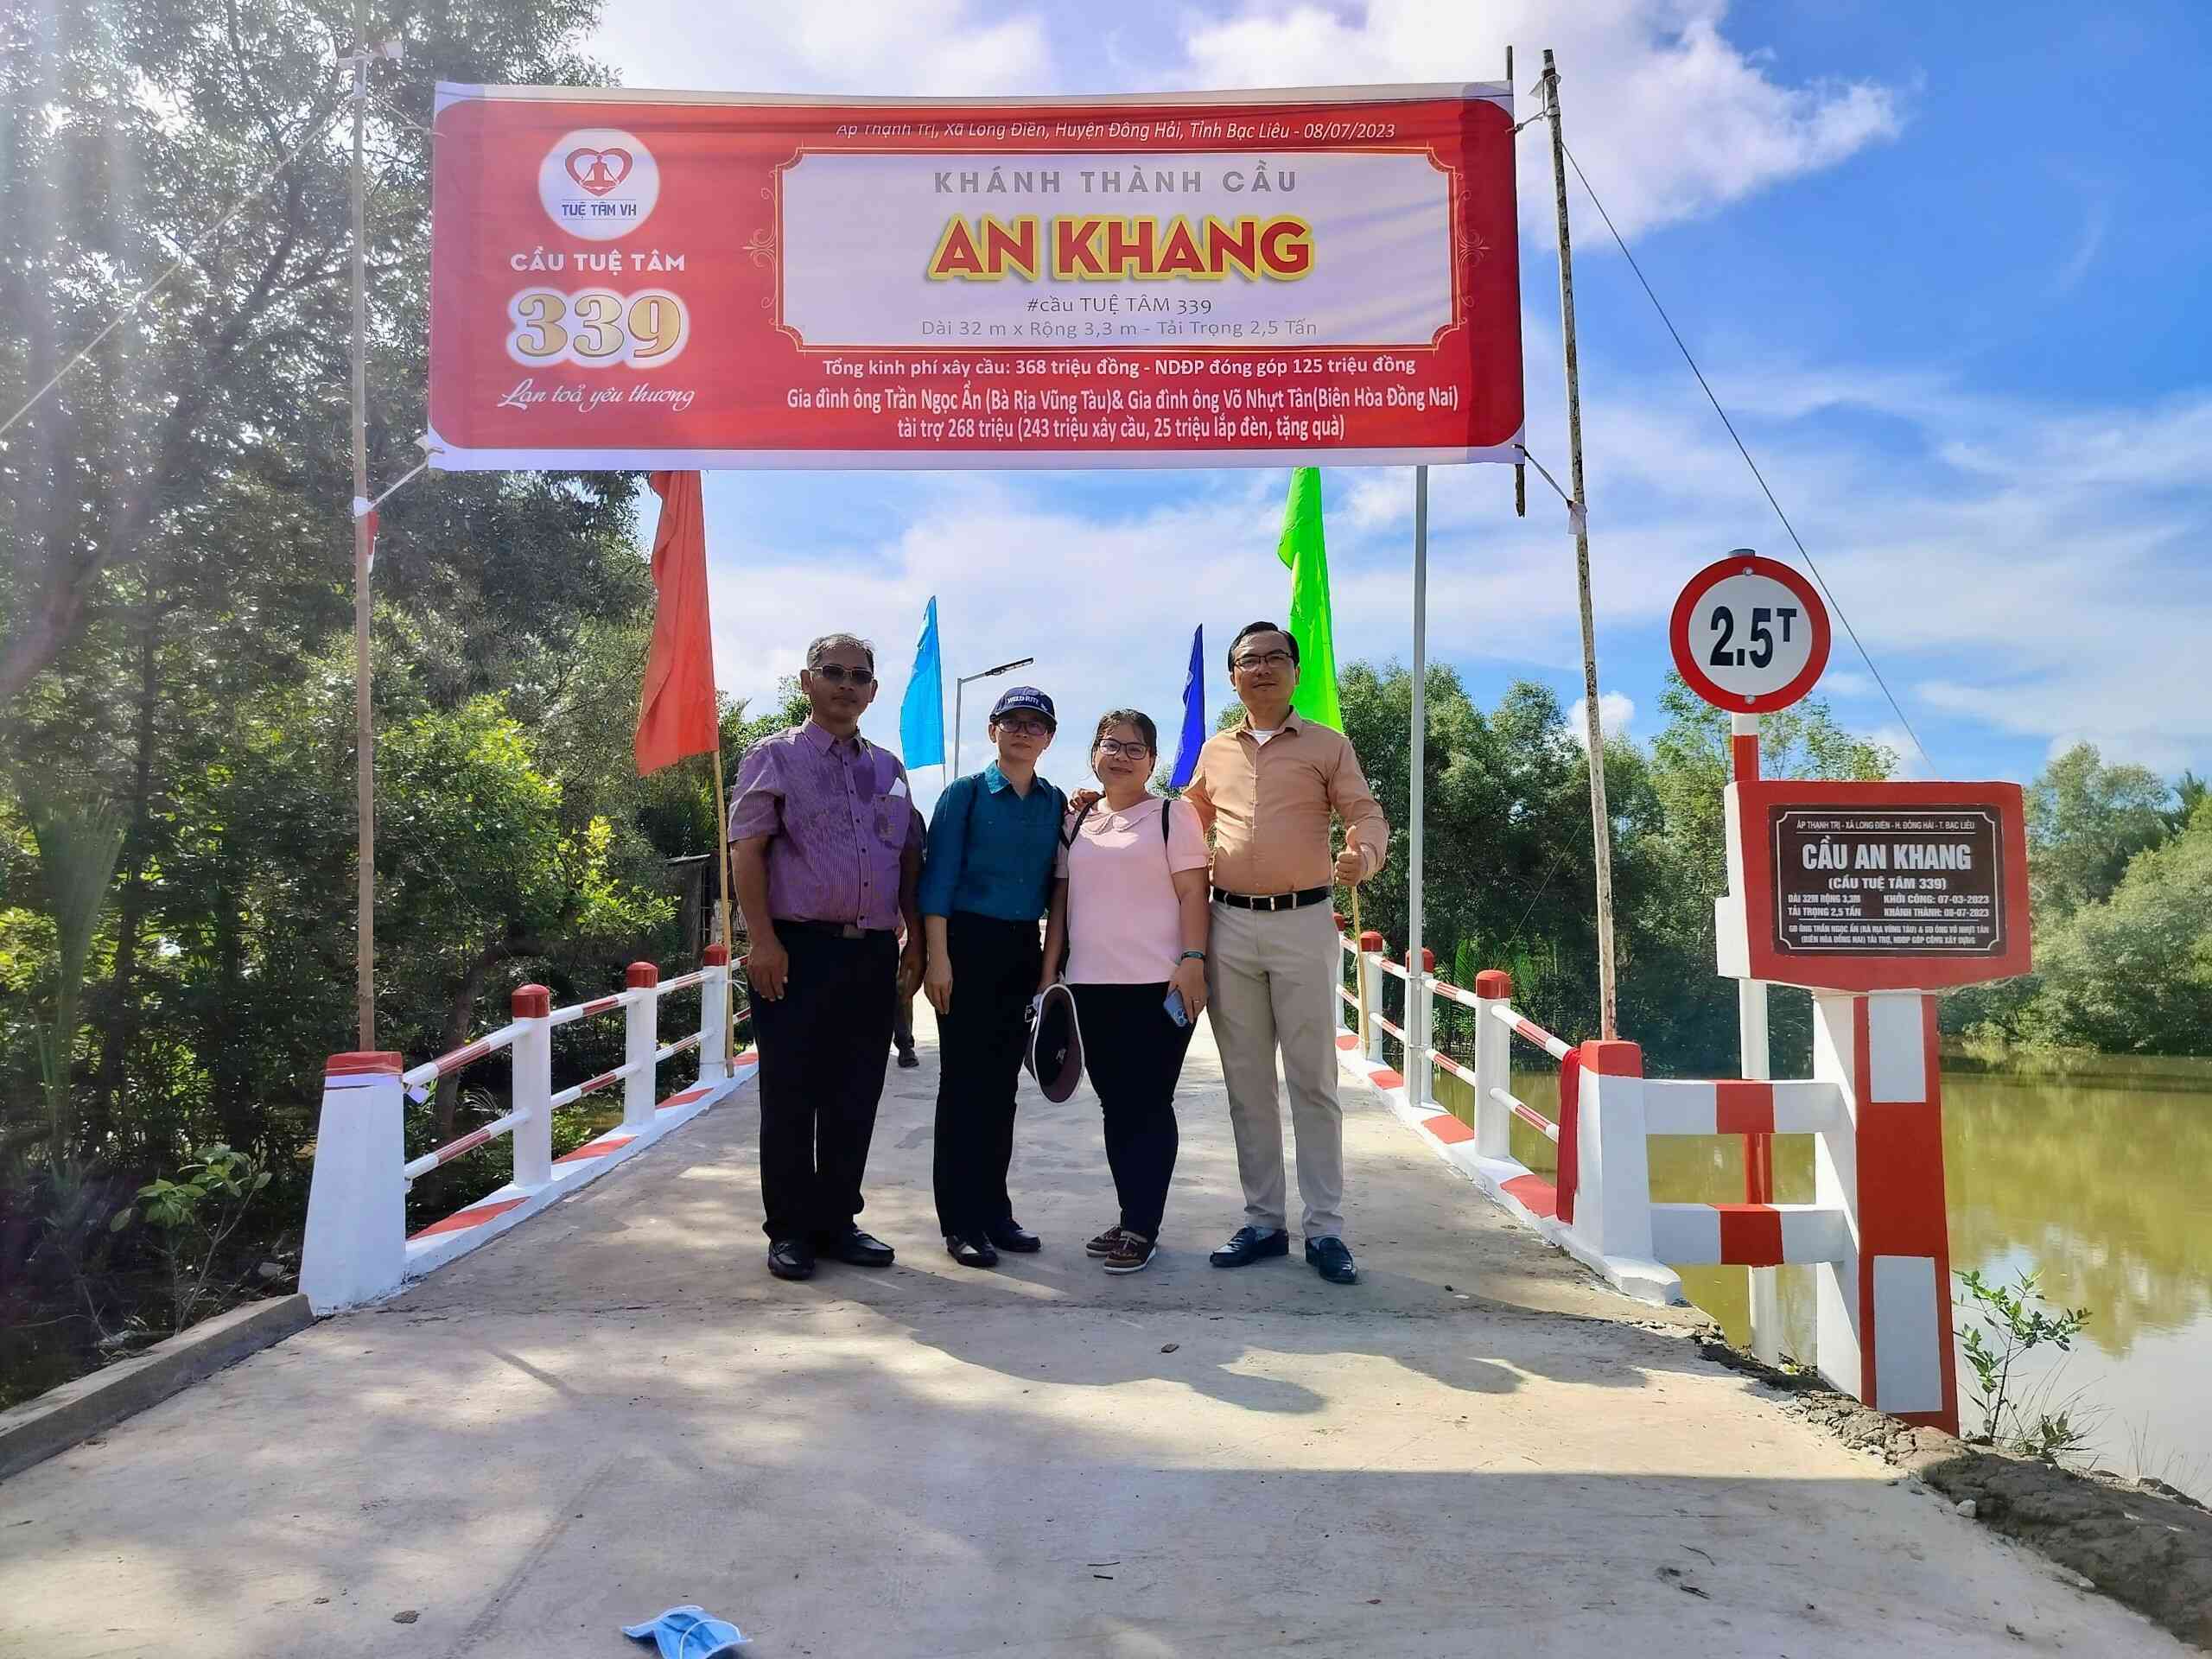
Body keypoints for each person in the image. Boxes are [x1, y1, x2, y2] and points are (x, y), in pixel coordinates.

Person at [1185, 621, 1388, 1285]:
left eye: (1277, 657)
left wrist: (1364, 853)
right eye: (1251, 660)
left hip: (1303, 922)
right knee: (1246, 1082)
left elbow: (1365, 813)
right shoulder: (1215, 752)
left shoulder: (1328, 745)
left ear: (1296, 672)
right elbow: (1184, 821)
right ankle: (1263, 1222)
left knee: (1313, 1080)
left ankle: (1324, 1229)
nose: (1264, 668)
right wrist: (1105, 809)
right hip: (1228, 926)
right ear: (1233, 677)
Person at [728, 632, 925, 1281]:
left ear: (873, 690)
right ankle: (789, 1230)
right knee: (791, 1095)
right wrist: (761, 941)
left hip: (872, 955)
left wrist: (916, 944)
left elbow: (907, 862)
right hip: (796, 950)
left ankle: (838, 1221)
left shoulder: (890, 770)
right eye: (833, 671)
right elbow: (747, 852)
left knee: (856, 1094)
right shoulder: (773, 757)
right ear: (807, 681)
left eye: (859, 675)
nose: (847, 684)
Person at [1047, 711, 1211, 1274]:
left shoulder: (1172, 815)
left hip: (1160, 986)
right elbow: (1062, 903)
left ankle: (1143, 1227)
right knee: (1115, 1105)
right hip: (1091, 986)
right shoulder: (1078, 820)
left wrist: (1193, 961)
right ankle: (1129, 1215)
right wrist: (1051, 973)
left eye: (1135, 748)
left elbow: (1193, 894)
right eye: (1110, 745)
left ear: (1152, 760)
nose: (1121, 756)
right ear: (1094, 752)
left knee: (1149, 1103)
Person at [918, 686, 1066, 1268]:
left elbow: (1060, 884)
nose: (1024, 732)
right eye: (1013, 721)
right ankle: (960, 1222)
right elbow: (937, 880)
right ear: (993, 729)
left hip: (1020, 948)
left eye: (1036, 724)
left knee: (1003, 1089)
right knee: (963, 1087)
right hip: (965, 945)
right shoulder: (966, 794)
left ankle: (994, 1212)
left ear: (1049, 738)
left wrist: (1047, 968)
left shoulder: (1054, 802)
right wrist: (937, 959)